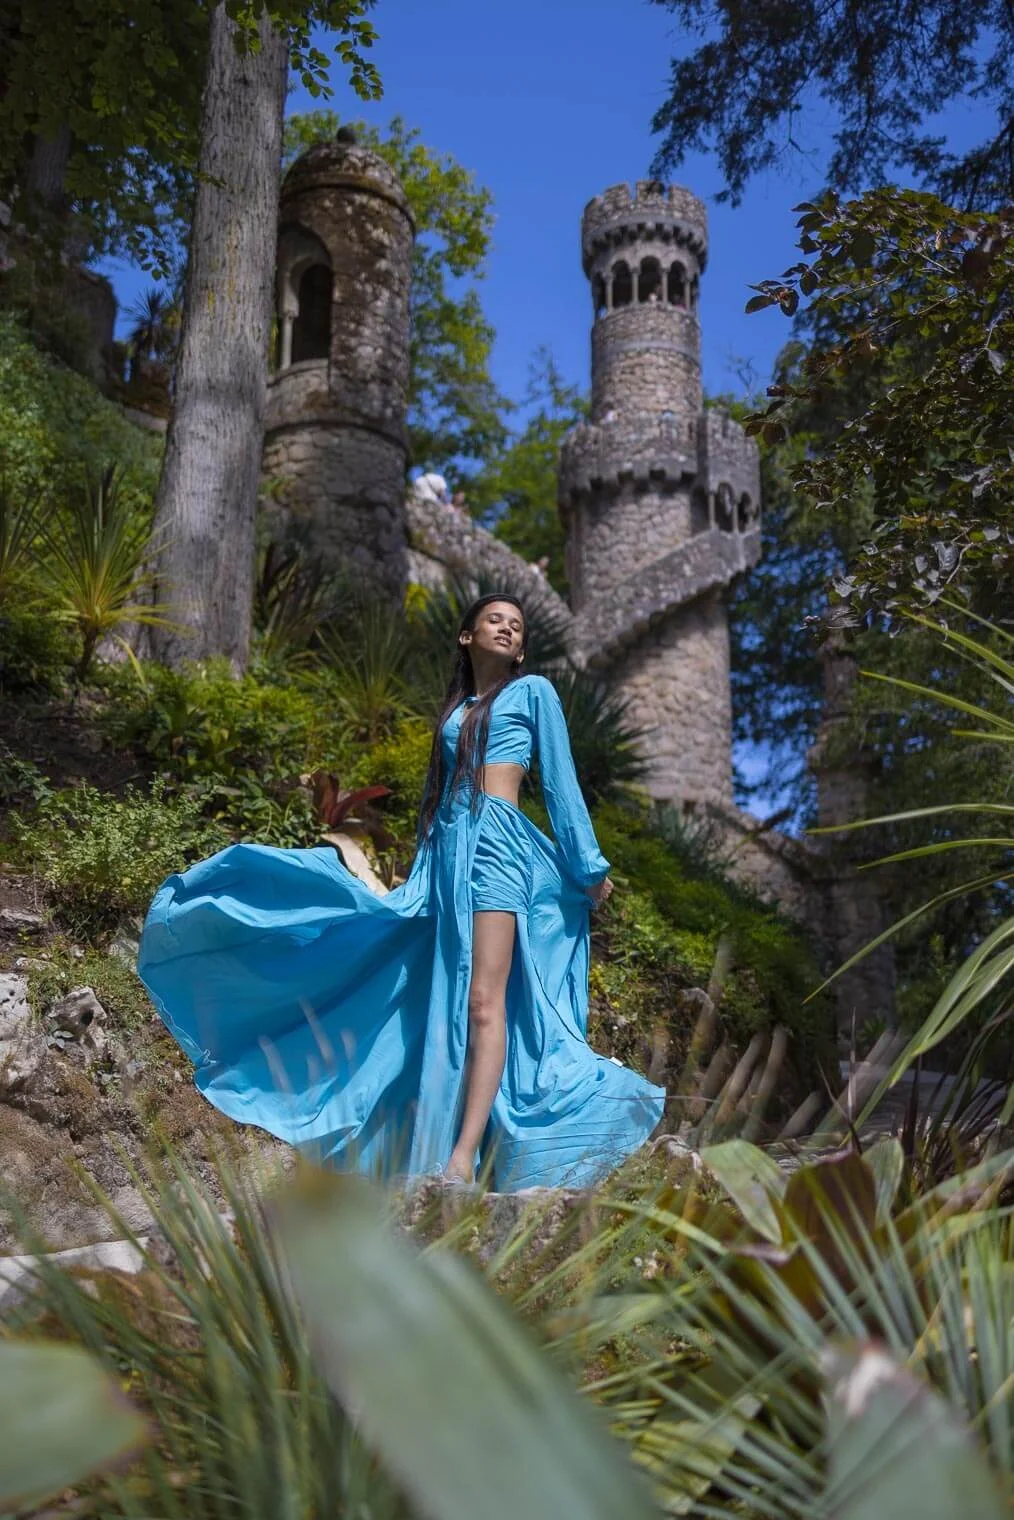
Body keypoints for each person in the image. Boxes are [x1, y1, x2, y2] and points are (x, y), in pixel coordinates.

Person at [137, 595, 665, 1191]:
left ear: (522, 650)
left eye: (516, 627)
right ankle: (435, 1136)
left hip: (498, 849)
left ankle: (462, 1156)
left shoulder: (533, 692)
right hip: (447, 853)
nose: (507, 629)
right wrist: (423, 866)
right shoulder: (456, 710)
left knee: (483, 1001)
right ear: (466, 636)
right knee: (427, 989)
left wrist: (588, 865)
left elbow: (561, 783)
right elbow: (438, 795)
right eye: (495, 620)